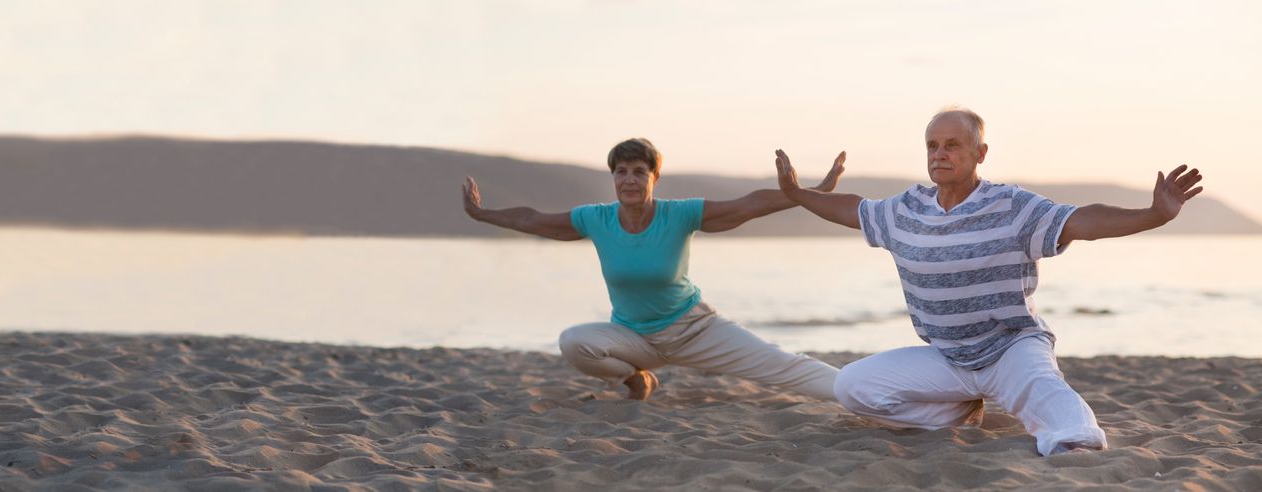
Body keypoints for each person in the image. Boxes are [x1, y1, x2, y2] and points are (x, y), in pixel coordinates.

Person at [773, 107, 1204, 456]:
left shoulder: (1012, 205)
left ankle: (1074, 446)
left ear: (980, 152)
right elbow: (853, 209)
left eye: (952, 145)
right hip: (946, 357)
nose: (939, 153)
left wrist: (1152, 216)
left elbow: (1082, 221)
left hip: (1010, 349)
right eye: (932, 145)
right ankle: (958, 414)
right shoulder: (906, 209)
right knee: (852, 386)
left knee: (1058, 414)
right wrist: (797, 195)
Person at [463, 137, 843, 401]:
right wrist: (483, 214)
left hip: (696, 330)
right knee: (575, 342)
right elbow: (535, 220)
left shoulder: (679, 213)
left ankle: (873, 392)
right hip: (635, 339)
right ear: (612, 177)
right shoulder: (596, 219)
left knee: (788, 368)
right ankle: (637, 379)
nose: (629, 178)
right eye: (621, 171)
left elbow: (745, 205)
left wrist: (805, 193)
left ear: (654, 178)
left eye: (639, 171)